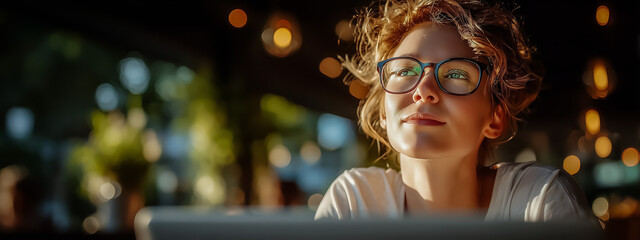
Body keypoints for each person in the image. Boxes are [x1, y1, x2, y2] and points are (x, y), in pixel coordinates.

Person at [315, 0, 593, 221]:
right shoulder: (353, 202)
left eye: (457, 74)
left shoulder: (539, 199)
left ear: (495, 118)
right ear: (384, 113)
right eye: (404, 70)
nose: (423, 90)